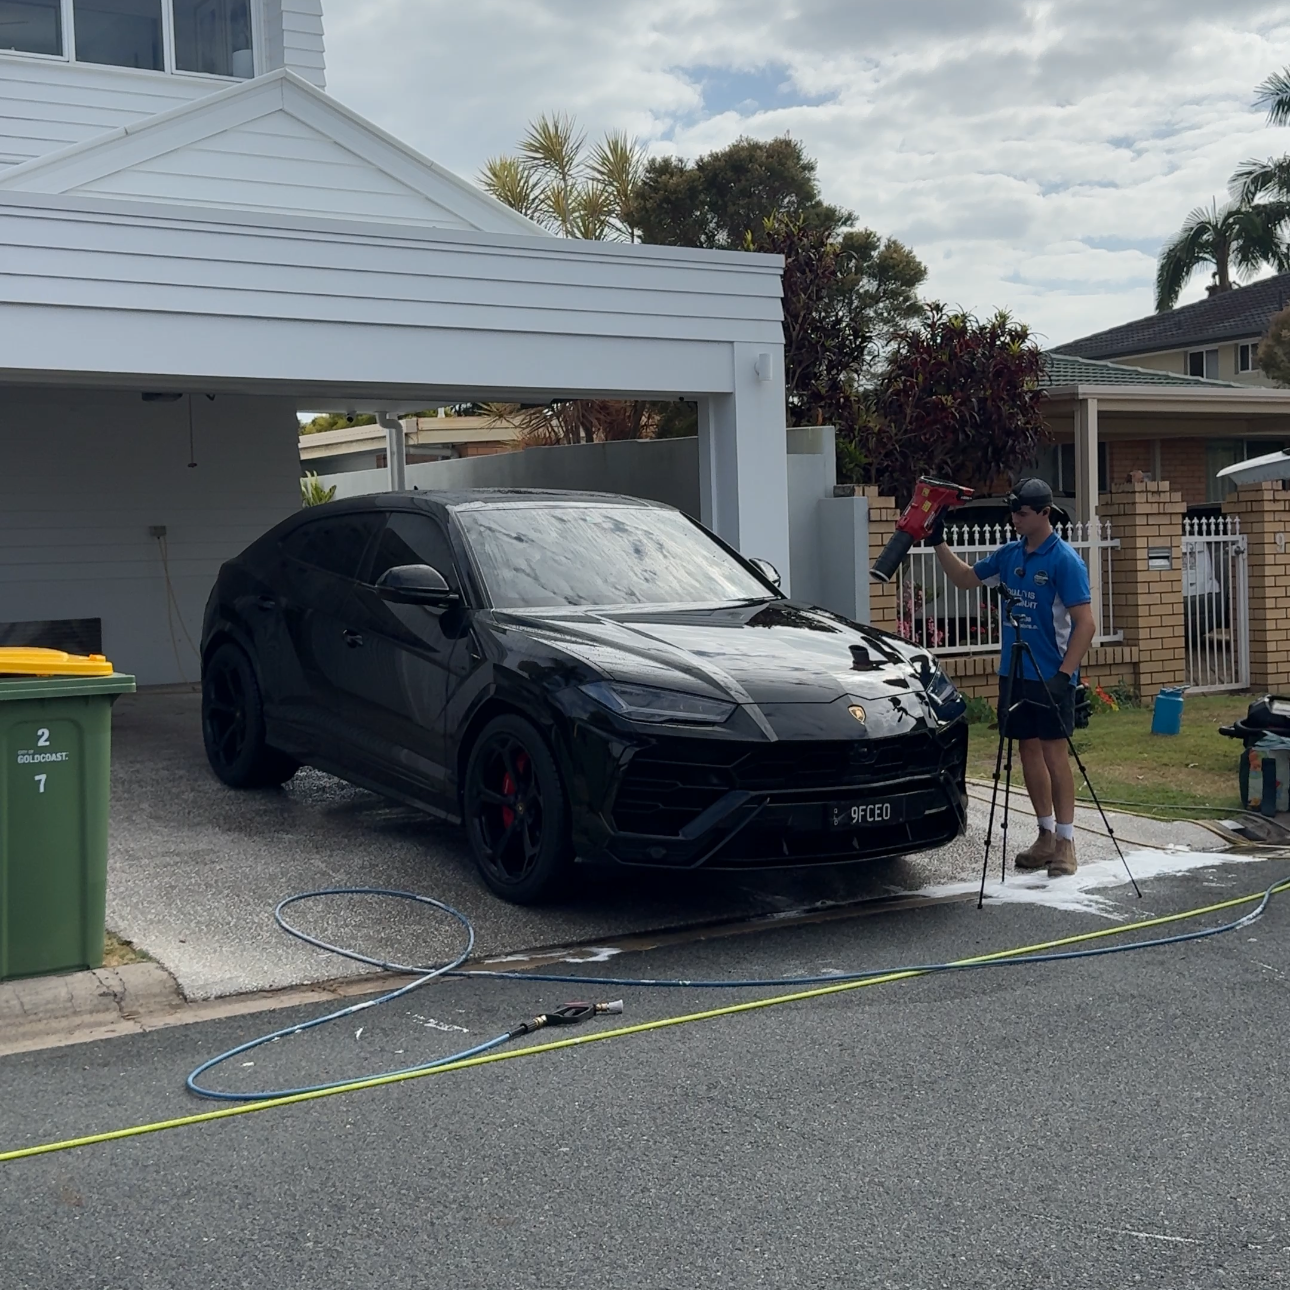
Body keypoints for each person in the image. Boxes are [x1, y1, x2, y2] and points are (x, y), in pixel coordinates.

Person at [930, 479, 1096, 877]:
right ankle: (1043, 835)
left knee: (1056, 755)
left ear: (1044, 513)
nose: (1015, 519)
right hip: (1014, 671)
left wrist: (1065, 675)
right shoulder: (1009, 554)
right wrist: (938, 541)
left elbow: (1085, 624)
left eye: (1022, 513)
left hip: (1050, 673)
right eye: (1013, 512)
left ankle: (1066, 842)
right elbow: (966, 578)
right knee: (1028, 752)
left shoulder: (1065, 561)